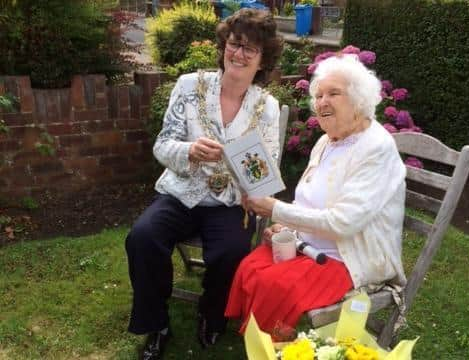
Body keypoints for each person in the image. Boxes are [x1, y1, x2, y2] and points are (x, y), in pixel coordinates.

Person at [125, 8, 283, 360]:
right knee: (143, 237)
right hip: (181, 193)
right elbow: (162, 145)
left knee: (232, 253)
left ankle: (211, 314)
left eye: (250, 49)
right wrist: (189, 150)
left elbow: (265, 168)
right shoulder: (189, 86)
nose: (239, 54)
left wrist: (254, 191)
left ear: (262, 60)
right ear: (224, 46)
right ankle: (156, 324)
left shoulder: (267, 107)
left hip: (229, 203)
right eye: (235, 44)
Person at [225, 54, 407, 334]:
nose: (322, 102)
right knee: (252, 265)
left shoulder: (376, 148)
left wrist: (275, 209)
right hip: (307, 244)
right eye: (319, 95)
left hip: (349, 259)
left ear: (359, 99)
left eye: (333, 93)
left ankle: (274, 343)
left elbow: (343, 223)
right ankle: (263, 339)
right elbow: (308, 198)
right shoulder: (327, 140)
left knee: (275, 285)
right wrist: (284, 226)